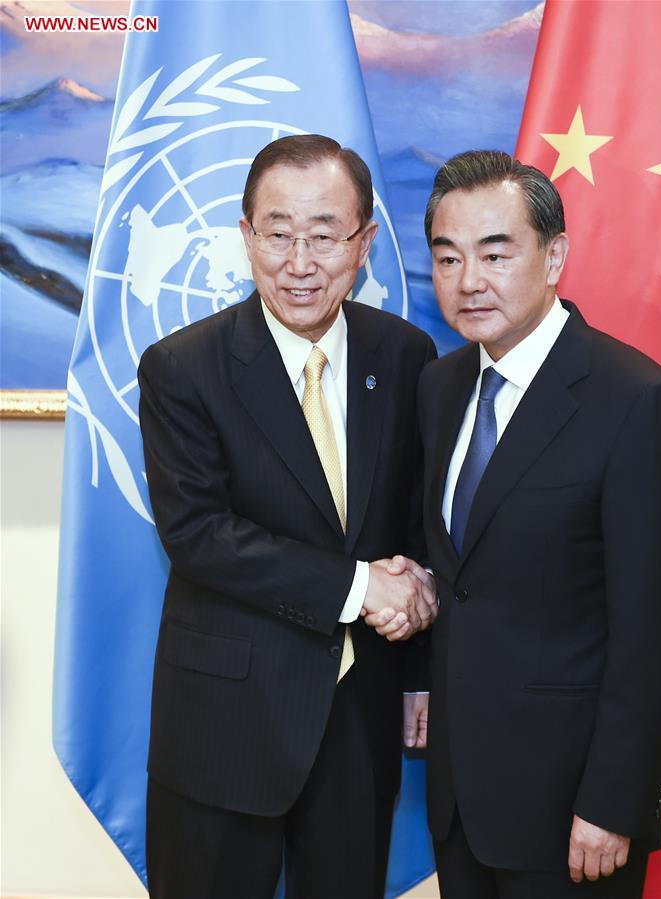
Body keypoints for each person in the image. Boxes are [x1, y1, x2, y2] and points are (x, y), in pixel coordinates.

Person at [137, 134, 437, 899]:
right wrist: (357, 587)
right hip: (224, 723)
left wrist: (418, 672)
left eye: (325, 234)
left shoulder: (404, 355)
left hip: (357, 717)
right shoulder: (182, 367)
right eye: (277, 233)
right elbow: (198, 534)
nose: (299, 262)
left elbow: (414, 528)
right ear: (245, 236)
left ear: (363, 242)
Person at [412, 150, 661, 898]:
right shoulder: (440, 390)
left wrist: (613, 799)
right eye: (447, 257)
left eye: (494, 252)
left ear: (554, 257)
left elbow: (654, 630)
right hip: (459, 799)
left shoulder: (635, 401)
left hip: (574, 807)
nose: (468, 279)